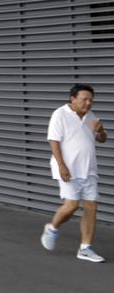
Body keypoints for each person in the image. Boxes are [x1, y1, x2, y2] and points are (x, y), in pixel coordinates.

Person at [42, 84, 108, 262]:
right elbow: (53, 141)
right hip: (68, 170)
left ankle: (85, 248)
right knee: (71, 206)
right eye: (84, 99)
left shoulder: (91, 116)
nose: (88, 103)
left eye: (91, 100)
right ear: (73, 99)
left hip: (89, 169)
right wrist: (62, 165)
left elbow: (102, 140)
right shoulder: (60, 114)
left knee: (91, 207)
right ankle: (52, 227)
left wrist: (100, 131)